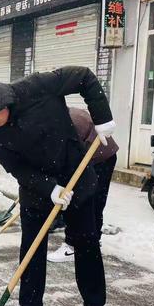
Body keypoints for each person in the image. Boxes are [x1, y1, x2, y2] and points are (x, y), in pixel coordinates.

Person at [0, 66, 116, 306]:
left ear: (0, 103)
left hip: (76, 176)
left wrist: (102, 118)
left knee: (87, 243)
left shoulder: (37, 87)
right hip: (36, 191)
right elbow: (16, 167)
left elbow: (84, 76)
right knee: (31, 248)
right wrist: (50, 188)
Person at [47, 107, 118, 262]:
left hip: (101, 158)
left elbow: (70, 156)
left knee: (85, 201)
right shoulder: (61, 116)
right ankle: (90, 240)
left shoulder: (68, 122)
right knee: (86, 201)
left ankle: (73, 246)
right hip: (94, 155)